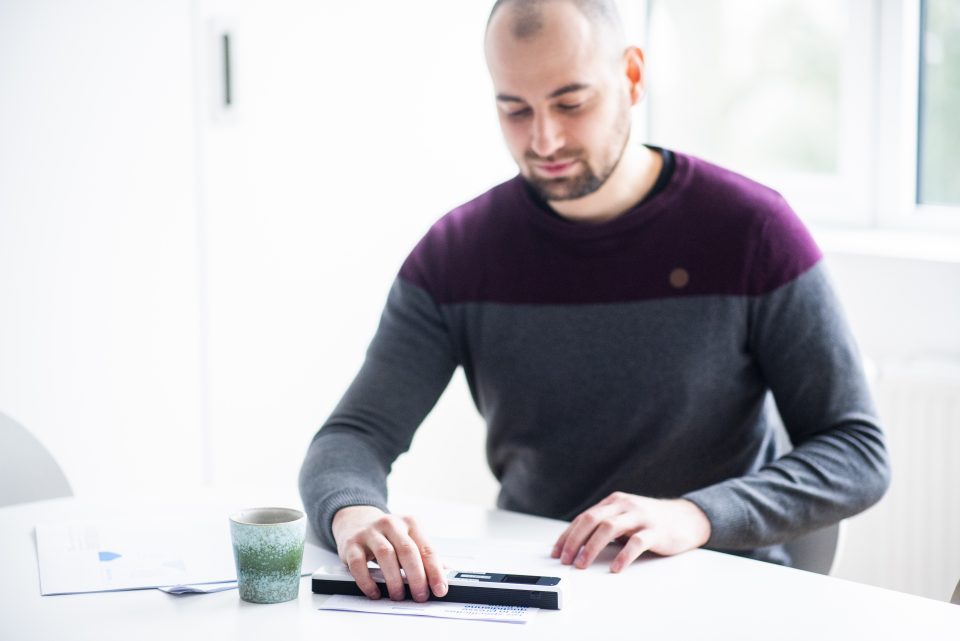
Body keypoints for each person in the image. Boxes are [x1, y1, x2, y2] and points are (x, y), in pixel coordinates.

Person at [298, 0, 890, 604]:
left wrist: (695, 514)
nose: (545, 138)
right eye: (515, 111)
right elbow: (355, 435)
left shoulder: (752, 231)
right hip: (542, 586)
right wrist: (353, 515)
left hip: (718, 586)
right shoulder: (457, 254)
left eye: (571, 103)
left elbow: (857, 451)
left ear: (632, 78)